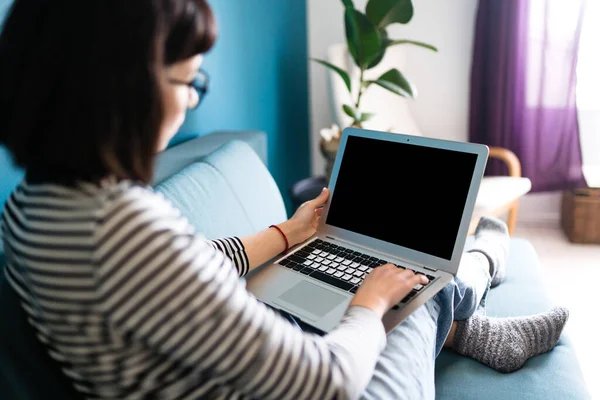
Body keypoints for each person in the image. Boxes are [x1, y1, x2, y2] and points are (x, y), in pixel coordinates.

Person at [0, 1, 568, 399]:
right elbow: (327, 382)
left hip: (235, 367)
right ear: (124, 86)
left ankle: (468, 284)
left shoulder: (36, 205)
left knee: (391, 283)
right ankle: (481, 283)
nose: (187, 105)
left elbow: (188, 265)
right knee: (412, 296)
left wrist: (289, 236)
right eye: (188, 82)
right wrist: (370, 305)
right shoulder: (117, 226)